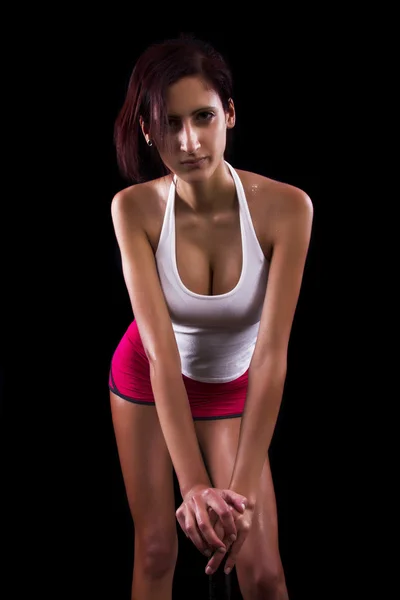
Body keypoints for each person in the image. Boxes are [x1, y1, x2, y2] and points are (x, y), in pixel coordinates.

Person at [108, 34, 313, 600]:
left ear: (229, 113)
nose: (189, 141)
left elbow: (271, 358)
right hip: (150, 381)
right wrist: (193, 483)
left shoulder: (286, 208)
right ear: (148, 131)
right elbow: (161, 355)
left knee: (263, 572)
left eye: (202, 116)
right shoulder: (134, 209)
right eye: (169, 123)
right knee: (155, 549)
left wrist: (240, 495)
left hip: (233, 384)